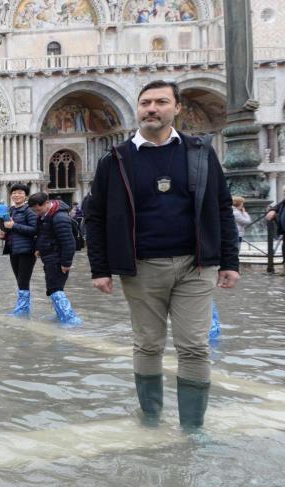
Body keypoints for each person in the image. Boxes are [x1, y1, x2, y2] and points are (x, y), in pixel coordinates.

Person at [85, 80, 240, 429]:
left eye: (161, 102)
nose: (152, 109)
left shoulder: (201, 152)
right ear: (137, 109)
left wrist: (230, 261)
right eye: (145, 103)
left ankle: (192, 428)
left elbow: (222, 206)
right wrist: (100, 268)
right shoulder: (115, 159)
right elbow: (94, 217)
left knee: (195, 346)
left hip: (195, 266)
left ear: (177, 108)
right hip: (140, 267)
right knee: (148, 345)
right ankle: (151, 419)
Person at [28, 192, 82, 326]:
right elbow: (43, 235)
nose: (36, 213)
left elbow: (68, 242)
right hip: (49, 257)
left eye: (38, 209)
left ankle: (71, 320)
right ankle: (62, 317)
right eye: (34, 210)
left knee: (55, 288)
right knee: (53, 288)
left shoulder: (60, 218)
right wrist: (39, 248)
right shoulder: (45, 216)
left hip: (57, 258)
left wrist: (66, 263)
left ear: (47, 203)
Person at [0, 183, 38, 317]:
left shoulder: (29, 210)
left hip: (27, 250)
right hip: (13, 249)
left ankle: (22, 310)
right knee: (19, 280)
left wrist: (14, 226)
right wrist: (2, 226)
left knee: (23, 281)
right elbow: (6, 228)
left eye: (20, 193)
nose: (16, 195)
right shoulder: (11, 210)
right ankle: (23, 309)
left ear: (26, 196)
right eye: (14, 193)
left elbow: (35, 230)